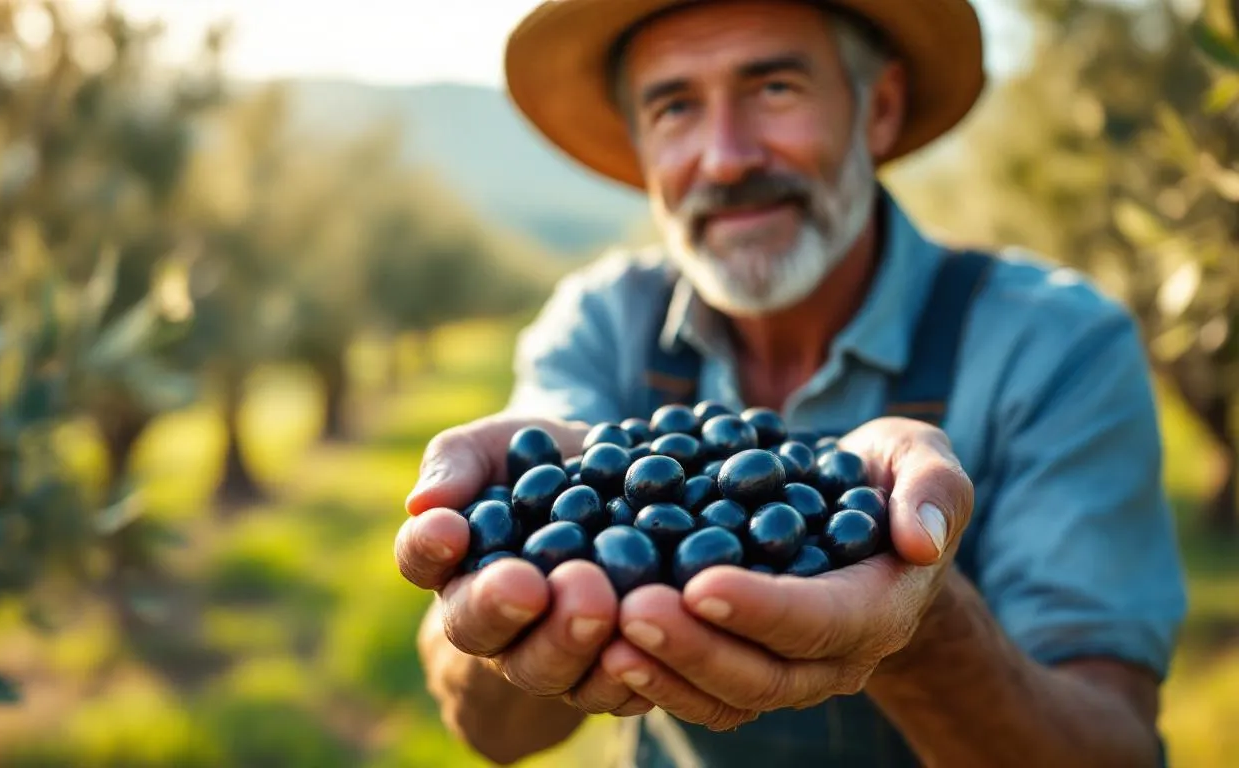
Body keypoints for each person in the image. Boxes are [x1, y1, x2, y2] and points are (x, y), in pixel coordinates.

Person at [393, 0, 1189, 765]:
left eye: (775, 88)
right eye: (675, 107)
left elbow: (1111, 747)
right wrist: (507, 594)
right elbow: (489, 733)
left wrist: (925, 621)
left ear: (878, 110)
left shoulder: (1057, 346)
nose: (726, 157)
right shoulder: (602, 322)